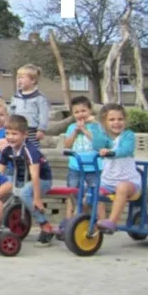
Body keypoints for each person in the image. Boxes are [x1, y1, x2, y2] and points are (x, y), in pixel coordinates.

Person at [0, 114, 56, 247]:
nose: (10, 137)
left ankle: (45, 226)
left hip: (42, 179)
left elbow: (35, 175)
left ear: (24, 135)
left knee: (24, 193)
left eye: (14, 134)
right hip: (22, 178)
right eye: (7, 133)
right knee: (4, 182)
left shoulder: (30, 150)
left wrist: (36, 198)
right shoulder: (6, 149)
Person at [91, 103, 142, 234]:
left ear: (125, 120)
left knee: (122, 187)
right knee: (93, 191)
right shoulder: (106, 138)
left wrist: (112, 153)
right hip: (107, 182)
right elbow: (97, 144)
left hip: (129, 181)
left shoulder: (128, 135)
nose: (116, 122)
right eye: (112, 120)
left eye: (120, 119)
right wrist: (96, 127)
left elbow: (126, 150)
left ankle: (112, 222)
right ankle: (101, 221)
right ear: (105, 122)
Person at [60, 96, 100, 233]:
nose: (80, 114)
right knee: (72, 193)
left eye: (83, 111)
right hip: (75, 168)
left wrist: (85, 130)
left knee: (93, 196)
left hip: (94, 168)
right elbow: (67, 145)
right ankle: (69, 221)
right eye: (76, 112)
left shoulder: (96, 126)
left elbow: (98, 143)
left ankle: (92, 223)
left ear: (90, 110)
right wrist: (76, 132)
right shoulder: (71, 127)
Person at [9, 64, 50, 149]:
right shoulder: (15, 97)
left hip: (32, 131)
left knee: (32, 151)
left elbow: (43, 114)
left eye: (22, 77)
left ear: (33, 80)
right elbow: (12, 112)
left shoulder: (39, 97)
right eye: (18, 78)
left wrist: (41, 129)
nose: (19, 80)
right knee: (17, 150)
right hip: (18, 129)